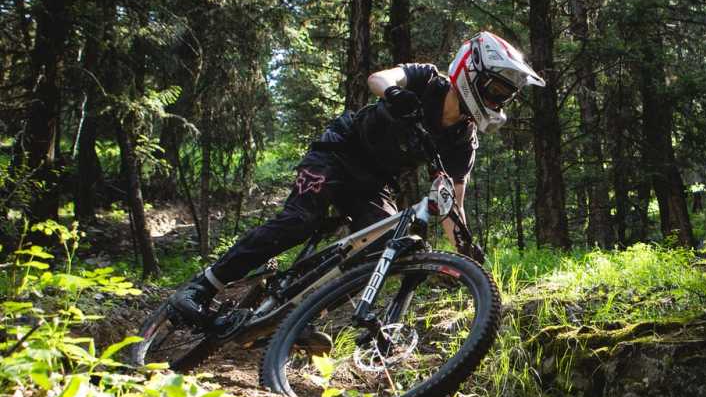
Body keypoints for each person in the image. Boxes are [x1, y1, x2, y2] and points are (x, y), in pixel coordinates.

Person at [171, 31, 545, 326]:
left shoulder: (462, 140)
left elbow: (452, 204)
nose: (499, 101)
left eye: (506, 96)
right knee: (299, 220)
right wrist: (396, 94)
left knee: (387, 245)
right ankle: (201, 288)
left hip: (374, 183)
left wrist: (466, 253)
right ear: (471, 73)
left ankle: (297, 317)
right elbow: (378, 78)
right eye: (496, 90)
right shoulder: (427, 79)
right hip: (335, 154)